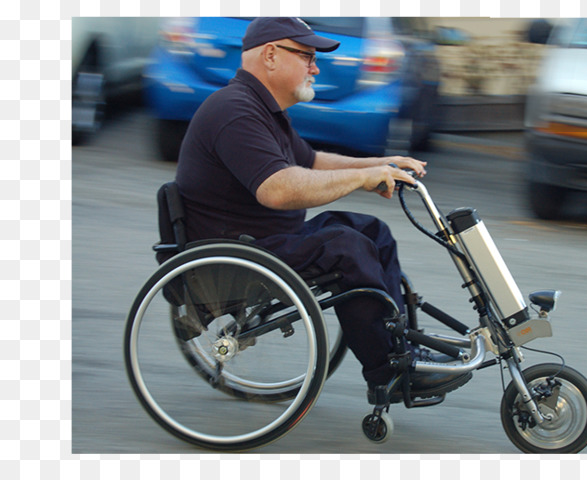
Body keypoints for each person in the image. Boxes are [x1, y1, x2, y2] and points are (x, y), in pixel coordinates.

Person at [174, 17, 471, 400]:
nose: (316, 67)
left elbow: (311, 162)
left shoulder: (261, 109)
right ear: (270, 55)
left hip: (264, 241)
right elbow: (278, 190)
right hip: (234, 258)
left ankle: (401, 347)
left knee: (371, 232)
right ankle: (388, 371)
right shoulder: (235, 111)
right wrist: (362, 178)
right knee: (347, 249)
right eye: (307, 56)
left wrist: (381, 165)